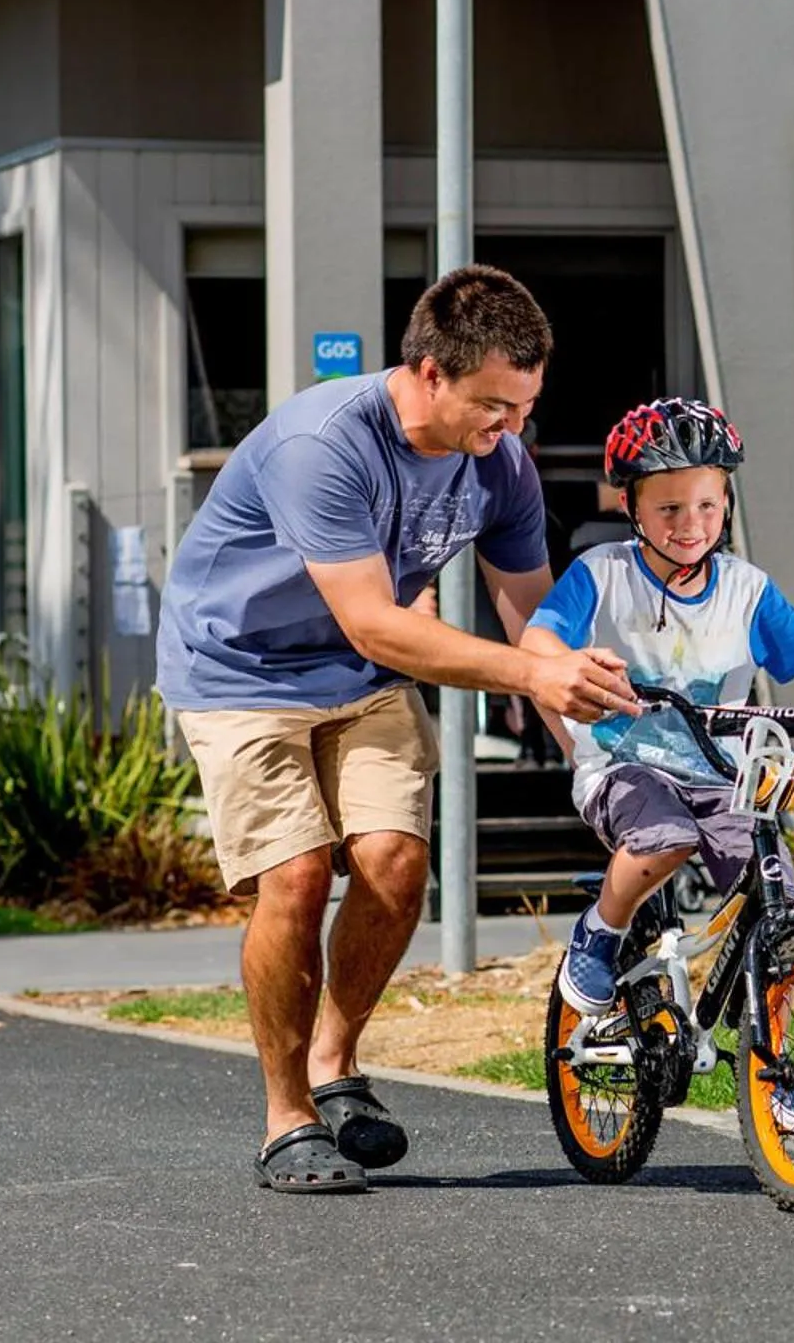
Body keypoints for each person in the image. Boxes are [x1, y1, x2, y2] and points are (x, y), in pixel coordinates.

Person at [157, 265, 638, 1195]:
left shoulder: (500, 465)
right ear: (427, 373)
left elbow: (534, 622)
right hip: (240, 672)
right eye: (494, 405)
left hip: (367, 678)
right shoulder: (325, 445)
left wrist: (602, 761)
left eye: (527, 406)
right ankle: (286, 1116)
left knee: (394, 863)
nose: (512, 430)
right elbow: (375, 620)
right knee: (295, 877)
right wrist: (536, 670)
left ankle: (336, 1066)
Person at [523, 398, 794, 1032]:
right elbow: (539, 639)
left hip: (720, 774)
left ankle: (780, 1064)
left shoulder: (745, 589)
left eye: (707, 504)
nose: (690, 523)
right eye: (668, 508)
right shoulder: (603, 574)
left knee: (779, 897)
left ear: (726, 502)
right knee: (664, 837)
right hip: (625, 765)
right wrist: (557, 664)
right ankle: (600, 929)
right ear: (631, 508)